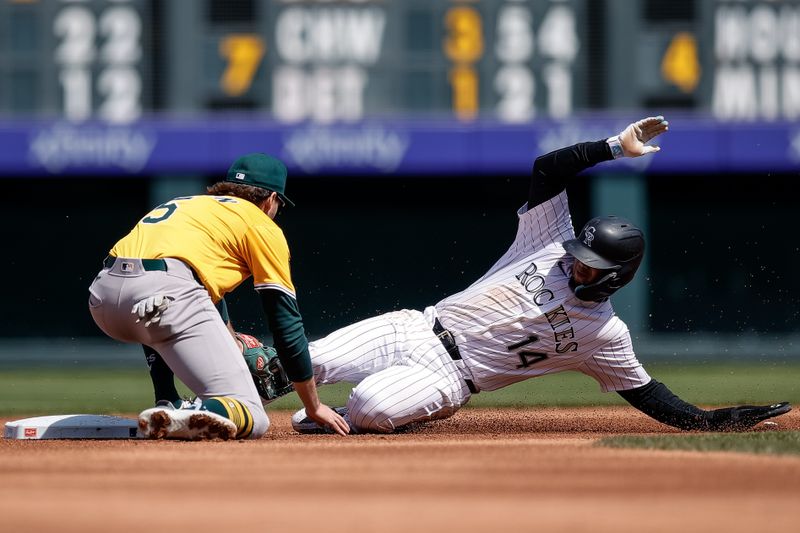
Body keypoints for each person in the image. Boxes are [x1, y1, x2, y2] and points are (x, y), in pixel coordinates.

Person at [290, 116, 791, 434]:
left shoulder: (603, 335)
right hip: (415, 327)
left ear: (614, 277)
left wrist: (709, 421)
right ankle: (225, 406)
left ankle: (383, 409)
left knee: (371, 406)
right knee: (301, 359)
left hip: (451, 377)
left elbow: (648, 394)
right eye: (580, 255)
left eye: (590, 265)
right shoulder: (549, 241)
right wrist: (614, 146)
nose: (577, 263)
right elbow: (548, 169)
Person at [88, 153, 349, 440]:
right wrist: (313, 406)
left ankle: (167, 399)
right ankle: (189, 414)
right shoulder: (260, 223)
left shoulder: (185, 204)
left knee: (157, 308)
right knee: (252, 414)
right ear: (271, 199)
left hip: (103, 298)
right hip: (166, 292)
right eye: (279, 205)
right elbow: (285, 323)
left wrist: (232, 342)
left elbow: (198, 287)